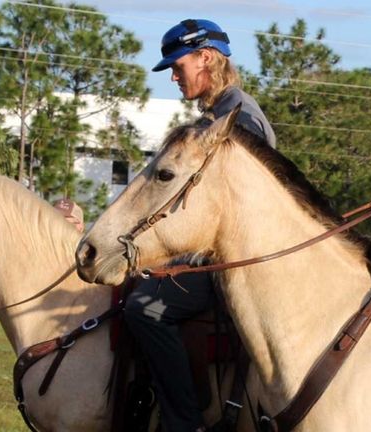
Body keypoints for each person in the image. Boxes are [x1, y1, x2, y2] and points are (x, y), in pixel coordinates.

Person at [124, 19, 276, 432]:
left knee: (144, 309)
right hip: (210, 260)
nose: (174, 76)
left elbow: (233, 217)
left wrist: (182, 261)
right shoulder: (220, 115)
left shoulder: (238, 121)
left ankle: (183, 421)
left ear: (206, 58)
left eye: (178, 65)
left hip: (229, 268)